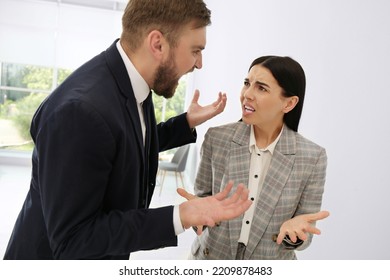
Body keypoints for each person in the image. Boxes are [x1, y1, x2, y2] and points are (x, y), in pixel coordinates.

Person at [3, 0, 252, 260]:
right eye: (195, 50)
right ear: (157, 44)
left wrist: (184, 122)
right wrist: (182, 215)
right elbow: (73, 241)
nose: (199, 64)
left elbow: (123, 141)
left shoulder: (129, 80)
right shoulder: (80, 112)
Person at [179, 55, 329, 260]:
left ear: (289, 103)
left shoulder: (312, 157)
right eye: (247, 83)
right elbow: (204, 196)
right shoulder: (217, 138)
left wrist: (293, 235)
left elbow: (305, 227)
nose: (247, 94)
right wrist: (199, 214)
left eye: (261, 88)